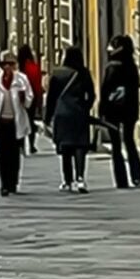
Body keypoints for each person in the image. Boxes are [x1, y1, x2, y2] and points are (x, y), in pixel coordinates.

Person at [46, 46, 96, 191]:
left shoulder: (57, 74)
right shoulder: (84, 73)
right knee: (80, 146)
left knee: (65, 147)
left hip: (62, 114)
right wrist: (85, 107)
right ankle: (80, 178)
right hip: (79, 113)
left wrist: (48, 116)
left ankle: (67, 181)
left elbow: (51, 98)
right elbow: (91, 95)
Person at [99, 34, 140, 188]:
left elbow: (105, 90)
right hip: (130, 109)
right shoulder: (132, 67)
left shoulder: (111, 67)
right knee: (129, 140)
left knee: (116, 145)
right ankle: (137, 174)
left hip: (113, 110)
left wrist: (102, 110)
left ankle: (121, 179)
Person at [0, 49, 33, 195]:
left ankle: (13, 182)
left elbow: (29, 99)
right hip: (1, 122)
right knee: (2, 154)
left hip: (15, 123)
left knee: (14, 154)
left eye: (10, 64)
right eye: (4, 64)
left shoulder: (22, 80)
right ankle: (4, 184)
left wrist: (24, 99)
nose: (7, 67)